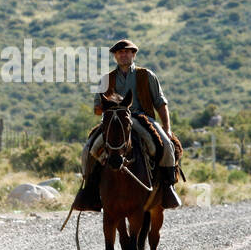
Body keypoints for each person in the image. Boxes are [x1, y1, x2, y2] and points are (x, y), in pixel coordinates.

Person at [72, 39, 181, 211]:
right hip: (114, 121)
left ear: (133, 54)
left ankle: (168, 188)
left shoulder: (146, 75)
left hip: (143, 118)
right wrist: (109, 107)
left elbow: (160, 103)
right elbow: (97, 109)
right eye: (119, 52)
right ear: (115, 56)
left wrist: (167, 128)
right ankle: (90, 191)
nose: (123, 55)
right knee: (88, 150)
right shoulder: (107, 79)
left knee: (166, 145)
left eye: (127, 52)